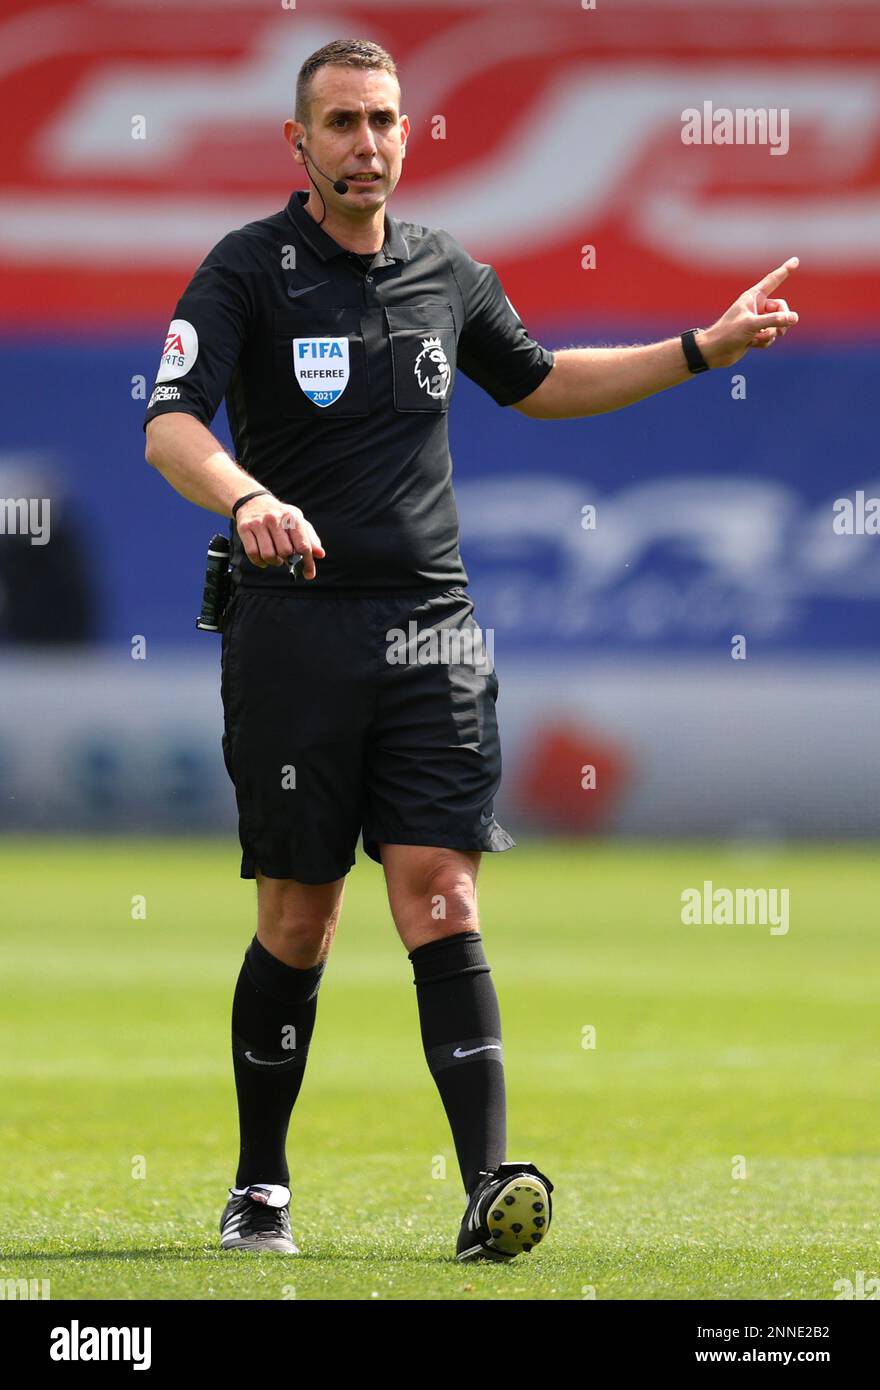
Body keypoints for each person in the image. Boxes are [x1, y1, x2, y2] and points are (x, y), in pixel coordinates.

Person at [143, 38, 799, 1263]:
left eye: (384, 119)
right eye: (340, 122)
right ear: (298, 143)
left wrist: (699, 349)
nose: (366, 142)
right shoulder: (245, 270)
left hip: (432, 634)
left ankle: (488, 1189)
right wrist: (242, 498)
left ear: (409, 133)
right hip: (293, 634)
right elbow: (169, 424)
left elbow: (540, 381)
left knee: (440, 895)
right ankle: (260, 1189)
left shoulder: (446, 269)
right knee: (300, 920)